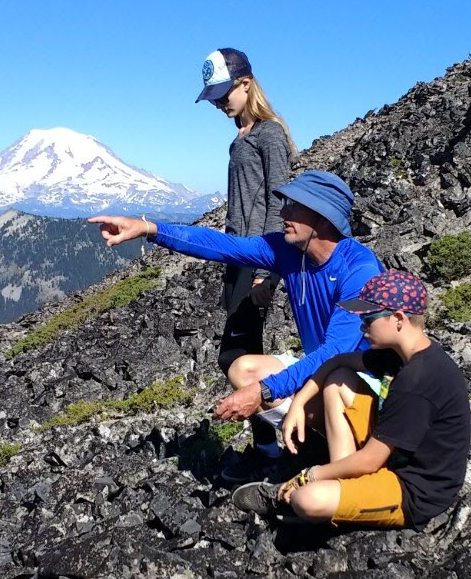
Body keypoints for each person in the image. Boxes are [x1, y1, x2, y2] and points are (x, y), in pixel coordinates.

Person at [89, 170, 384, 478]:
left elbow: (336, 352)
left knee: (335, 375)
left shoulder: (359, 270)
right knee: (243, 369)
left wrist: (264, 391)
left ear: (324, 218)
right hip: (325, 377)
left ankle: (348, 471)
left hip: (366, 389)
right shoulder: (288, 251)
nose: (283, 212)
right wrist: (148, 229)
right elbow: (224, 246)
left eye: (294, 207)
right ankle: (299, 450)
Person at [232, 269, 471, 529]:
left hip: (414, 489)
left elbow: (370, 460)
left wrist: (308, 476)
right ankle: (343, 485)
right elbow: (338, 361)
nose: (362, 326)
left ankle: (315, 500)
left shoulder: (417, 380)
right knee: (339, 379)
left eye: (368, 318)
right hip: (393, 455)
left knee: (308, 499)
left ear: (398, 319)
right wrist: (298, 404)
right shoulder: (401, 355)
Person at [195, 47, 297, 376]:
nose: (219, 103)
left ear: (246, 84)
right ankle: (275, 425)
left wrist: (266, 271)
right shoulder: (241, 137)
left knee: (235, 358)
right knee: (247, 353)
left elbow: (278, 200)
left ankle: (295, 409)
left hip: (256, 255)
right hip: (237, 255)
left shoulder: (269, 133)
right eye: (214, 97)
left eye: (224, 94)